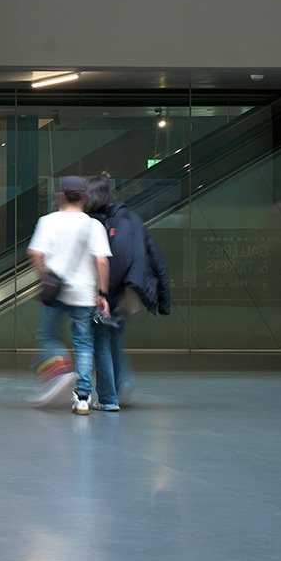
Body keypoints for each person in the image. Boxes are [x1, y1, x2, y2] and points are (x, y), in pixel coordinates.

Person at [27, 175, 111, 415]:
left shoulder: (48, 221)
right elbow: (102, 261)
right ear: (85, 197)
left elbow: (35, 253)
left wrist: (45, 276)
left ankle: (61, 367)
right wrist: (102, 293)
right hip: (84, 294)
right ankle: (82, 398)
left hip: (56, 292)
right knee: (84, 344)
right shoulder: (93, 225)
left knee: (47, 335)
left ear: (60, 196)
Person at [87, 175, 171, 412]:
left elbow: (106, 261)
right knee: (114, 336)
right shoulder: (131, 217)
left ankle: (111, 393)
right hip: (130, 290)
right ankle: (122, 383)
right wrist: (162, 296)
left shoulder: (100, 220)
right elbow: (155, 256)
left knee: (102, 338)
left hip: (110, 289)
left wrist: (101, 292)